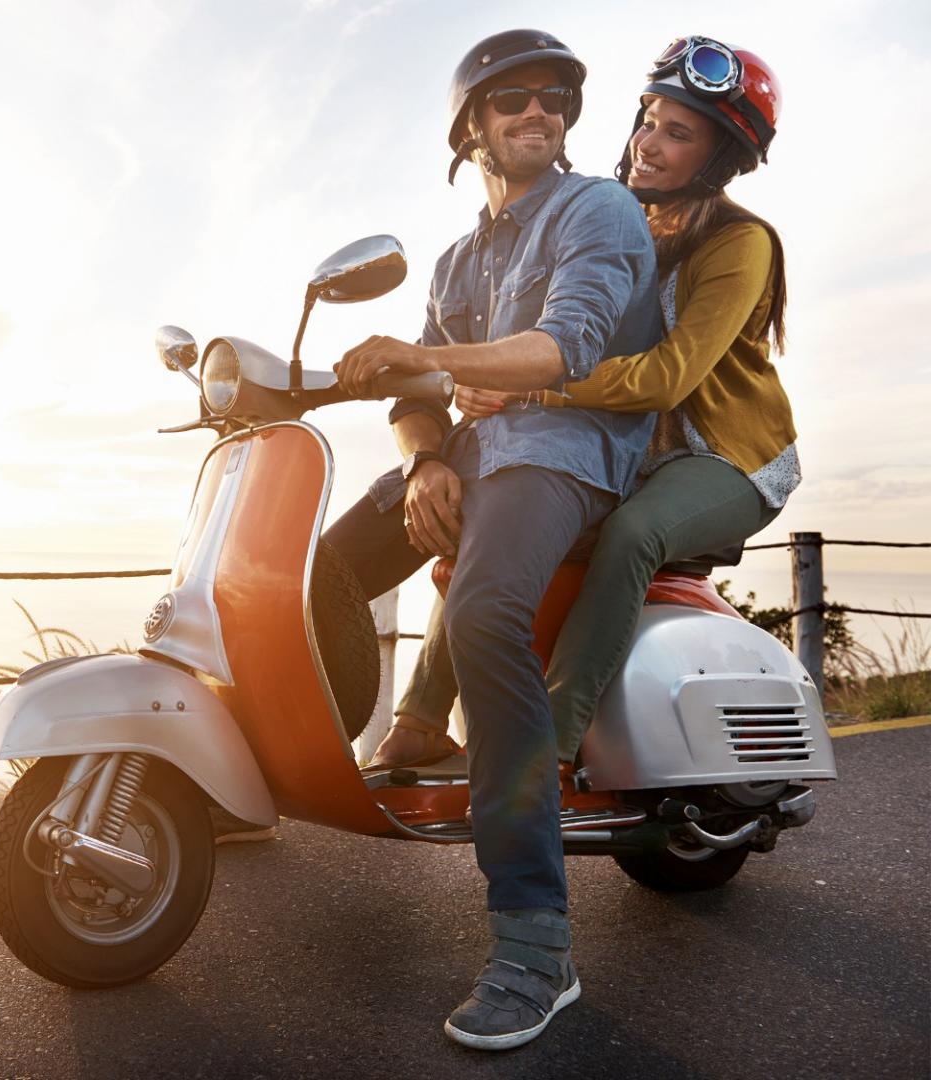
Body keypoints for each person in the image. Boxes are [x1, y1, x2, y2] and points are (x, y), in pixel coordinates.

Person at [321, 28, 660, 1050]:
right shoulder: (459, 258)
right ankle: (288, 768)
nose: (539, 114)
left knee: (481, 614)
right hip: (476, 453)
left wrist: (424, 358)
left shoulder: (594, 209)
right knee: (320, 573)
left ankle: (535, 941)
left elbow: (562, 346)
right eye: (513, 99)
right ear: (472, 124)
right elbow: (420, 401)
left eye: (556, 100)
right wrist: (425, 457)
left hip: (568, 454)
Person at [368, 37, 794, 787]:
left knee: (633, 533)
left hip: (722, 457)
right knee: (493, 505)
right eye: (649, 120)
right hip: (632, 448)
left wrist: (534, 389)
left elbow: (668, 377)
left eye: (678, 133)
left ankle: (554, 747)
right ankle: (417, 724)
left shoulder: (740, 242)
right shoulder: (610, 214)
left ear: (720, 157)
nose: (648, 144)